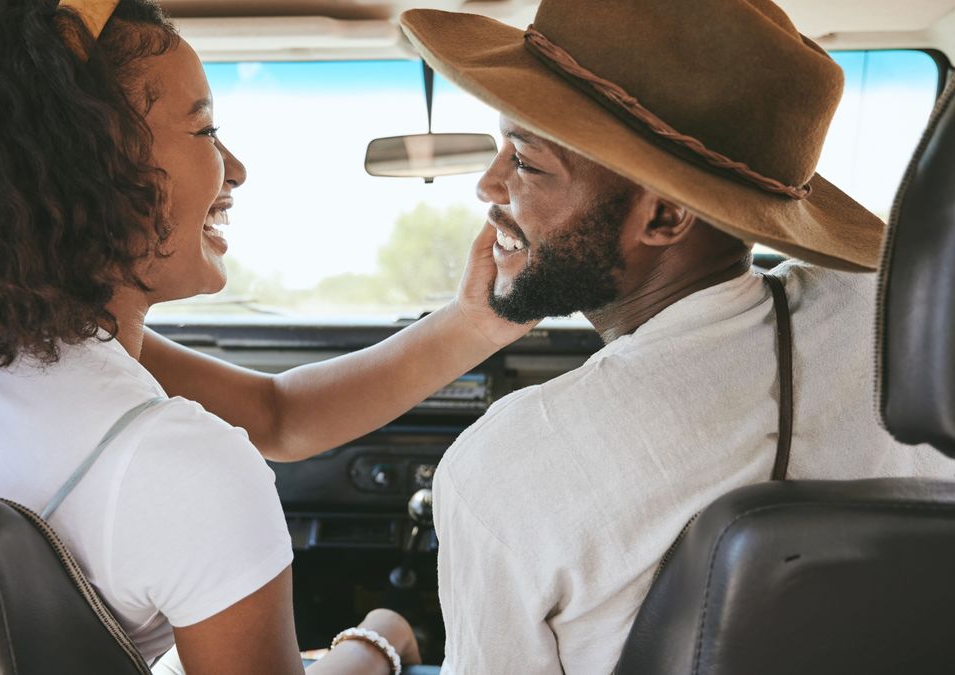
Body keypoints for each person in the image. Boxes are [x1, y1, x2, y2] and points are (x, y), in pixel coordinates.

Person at [0, 1, 531, 673]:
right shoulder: (177, 464)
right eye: (204, 133)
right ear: (88, 167)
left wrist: (477, 320)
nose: (234, 168)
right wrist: (377, 641)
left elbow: (278, 413)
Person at [391, 0, 955, 673]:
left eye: (526, 162)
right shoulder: (898, 333)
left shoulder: (503, 470)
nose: (487, 185)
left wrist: (375, 647)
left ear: (664, 214)